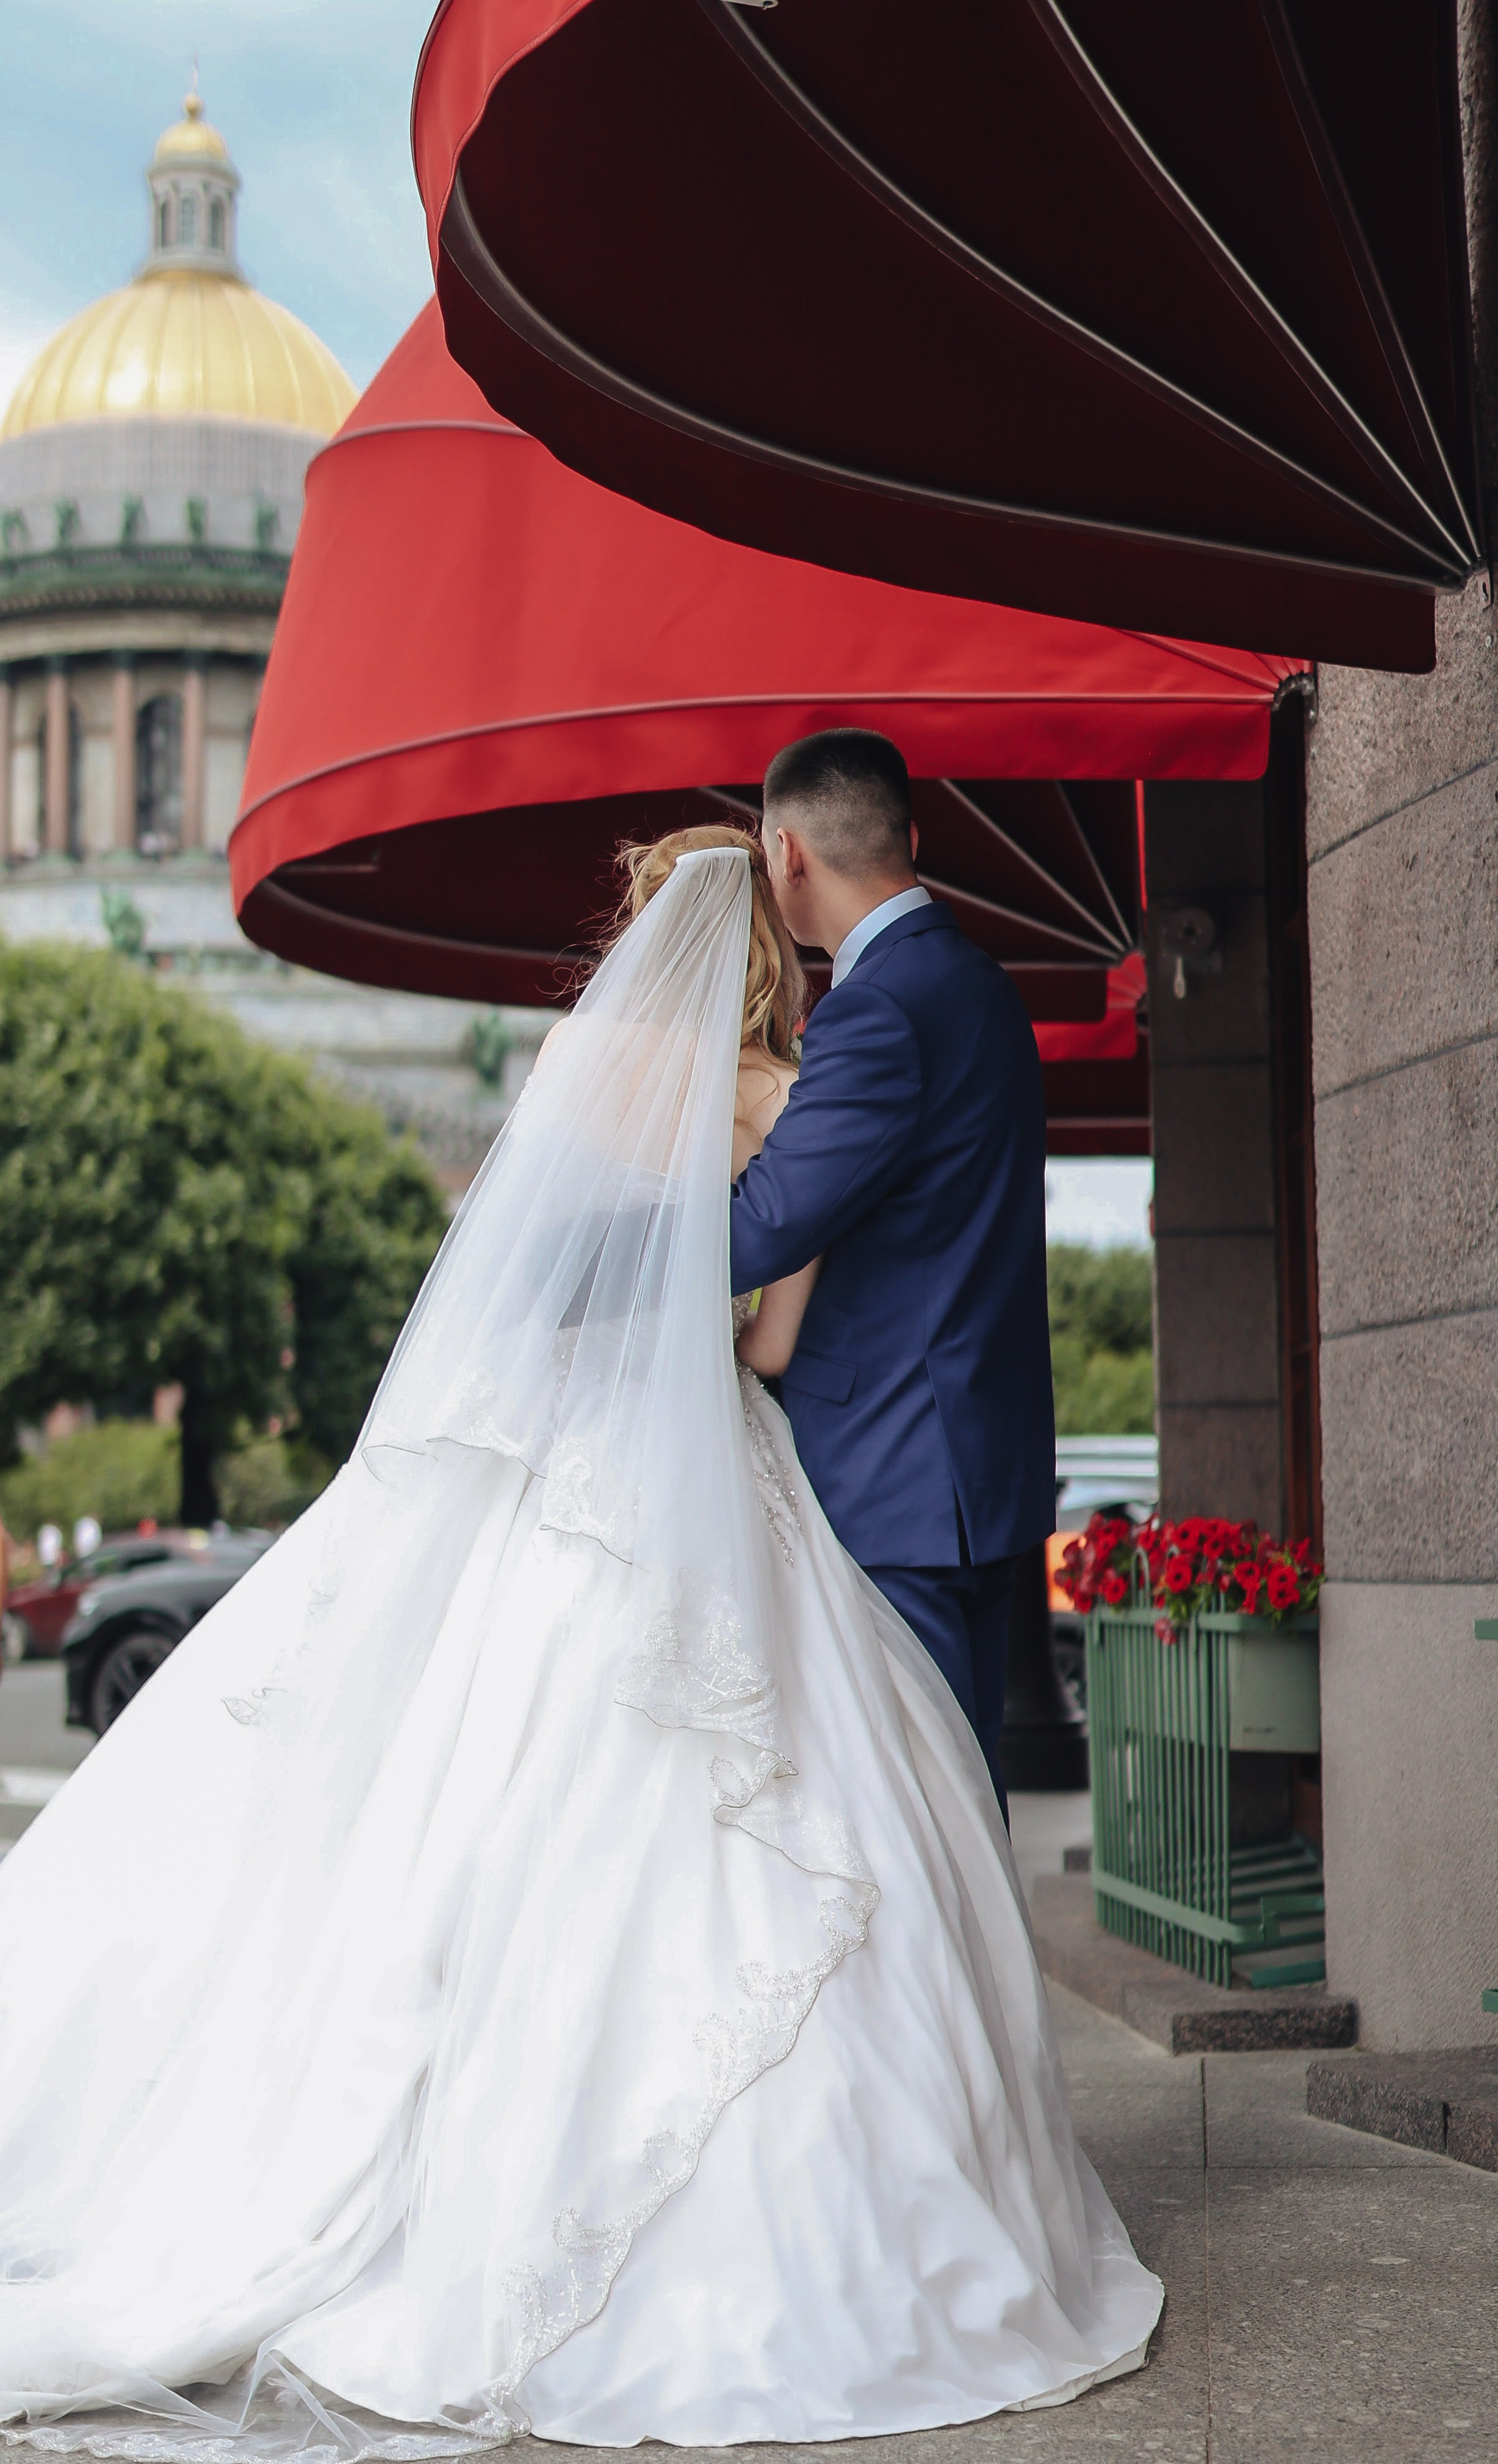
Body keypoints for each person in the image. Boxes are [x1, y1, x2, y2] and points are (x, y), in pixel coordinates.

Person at [0, 832, 1160, 2458]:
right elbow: (764, 1333)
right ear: (775, 931)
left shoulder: (569, 1059)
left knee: (452, 1799)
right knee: (756, 1817)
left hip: (530, 1461)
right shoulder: (779, 1090)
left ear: (636, 935)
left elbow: (514, 1272)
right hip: (711, 1473)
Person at [732, 728, 1053, 1815]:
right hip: (974, 1466)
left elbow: (771, 1221)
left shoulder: (880, 1008)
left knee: (917, 1813)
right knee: (957, 1801)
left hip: (894, 1478)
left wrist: (606, 1253)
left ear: (785, 855)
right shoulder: (983, 988)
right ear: (911, 838)